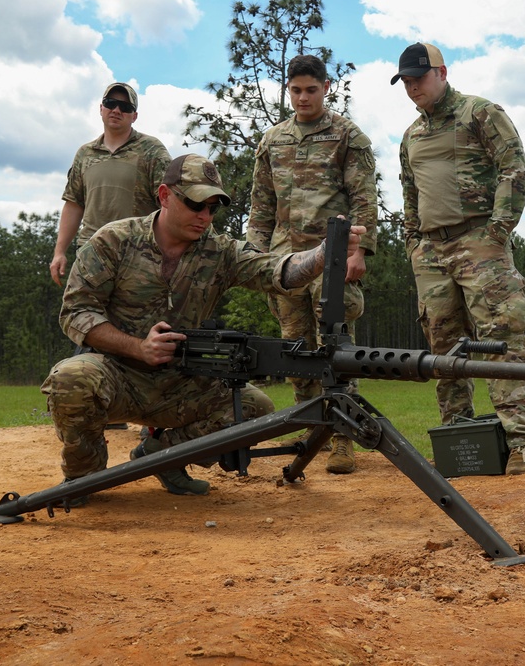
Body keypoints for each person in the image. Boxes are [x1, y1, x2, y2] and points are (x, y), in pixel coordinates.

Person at [40, 154, 367, 501]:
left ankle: (163, 456)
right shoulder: (113, 241)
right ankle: (83, 477)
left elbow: (277, 271)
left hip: (183, 385)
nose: (205, 217)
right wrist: (138, 348)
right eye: (196, 204)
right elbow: (75, 312)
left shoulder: (219, 251)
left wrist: (322, 254)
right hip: (117, 375)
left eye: (213, 208)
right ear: (165, 196)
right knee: (70, 378)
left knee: (257, 410)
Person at [391, 42, 525, 476]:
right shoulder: (411, 136)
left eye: (418, 79)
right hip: (431, 251)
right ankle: (458, 442)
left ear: (442, 73)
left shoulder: (480, 113)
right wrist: (413, 243)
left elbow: (514, 168)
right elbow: (409, 195)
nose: (412, 88)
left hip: (480, 242)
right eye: (405, 81)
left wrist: (497, 232)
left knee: (501, 340)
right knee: (443, 351)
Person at [247, 55, 378, 475]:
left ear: (326, 88)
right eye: (295, 90)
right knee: (293, 348)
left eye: (311, 89)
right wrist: (255, 257)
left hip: (331, 256)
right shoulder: (273, 140)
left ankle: (342, 439)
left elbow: (364, 199)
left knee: (336, 346)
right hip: (286, 259)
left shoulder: (346, 136)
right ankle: (308, 428)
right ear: (288, 90)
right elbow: (261, 206)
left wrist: (359, 252)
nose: (303, 97)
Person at [50, 82, 171, 431]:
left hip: (139, 255)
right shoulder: (85, 154)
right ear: (100, 109)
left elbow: (167, 202)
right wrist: (60, 251)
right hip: (91, 254)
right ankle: (92, 404)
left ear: (134, 114)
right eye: (109, 103)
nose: (115, 110)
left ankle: (155, 414)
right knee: (88, 324)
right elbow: (74, 202)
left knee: (138, 328)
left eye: (123, 105)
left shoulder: (151, 151)